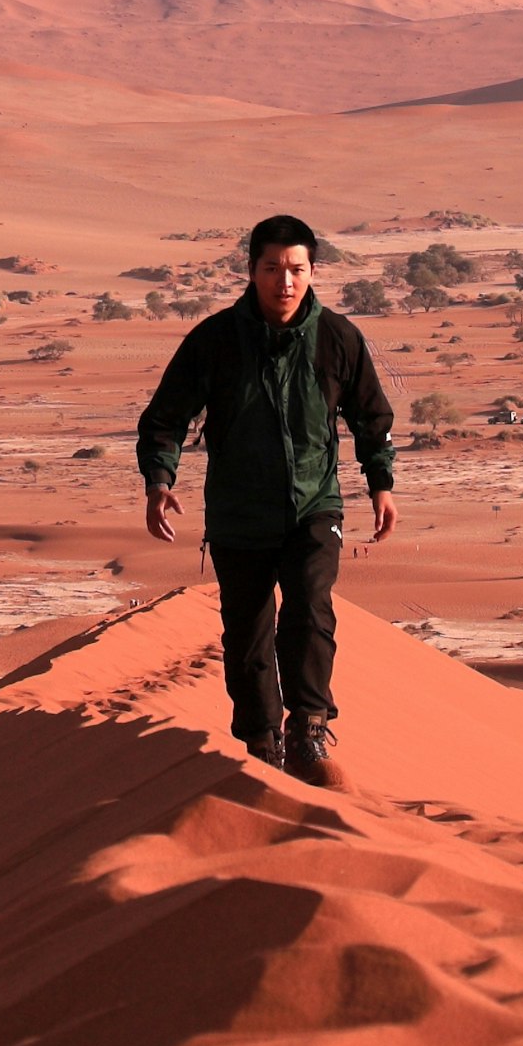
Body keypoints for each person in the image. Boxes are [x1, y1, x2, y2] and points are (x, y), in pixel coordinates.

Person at [135, 212, 398, 784]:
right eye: (273, 268)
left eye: (297, 269)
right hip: (238, 514)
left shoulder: (337, 338)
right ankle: (261, 743)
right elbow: (165, 417)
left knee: (310, 608)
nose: (286, 281)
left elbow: (371, 418)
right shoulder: (215, 340)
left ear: (312, 272)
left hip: (314, 506)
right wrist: (160, 481)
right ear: (252, 271)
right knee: (248, 632)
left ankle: (308, 725)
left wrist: (380, 482)